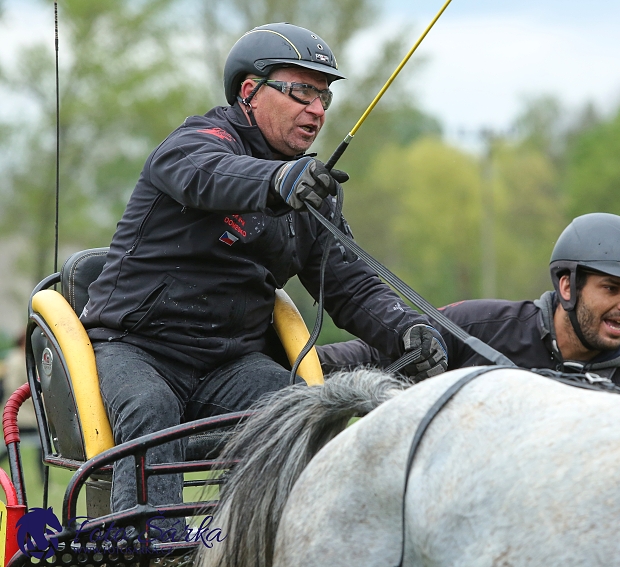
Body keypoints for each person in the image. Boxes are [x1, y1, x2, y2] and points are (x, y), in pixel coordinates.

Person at [79, 22, 448, 518]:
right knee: (151, 409)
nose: (316, 110)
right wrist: (279, 179)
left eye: (323, 97)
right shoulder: (197, 142)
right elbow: (205, 175)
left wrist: (407, 331)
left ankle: (259, 540)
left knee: (299, 411)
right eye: (300, 92)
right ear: (250, 91)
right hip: (136, 350)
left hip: (229, 364)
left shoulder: (312, 192)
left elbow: (350, 286)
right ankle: (150, 548)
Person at [319, 213, 620, 396]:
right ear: (567, 286)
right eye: (612, 288)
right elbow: (357, 361)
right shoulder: (477, 327)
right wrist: (280, 366)